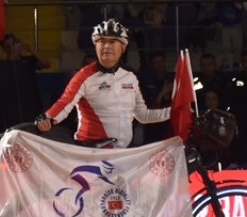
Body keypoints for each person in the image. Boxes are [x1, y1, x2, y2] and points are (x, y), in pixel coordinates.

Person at [37, 20, 170, 148]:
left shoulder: (130, 77)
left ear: (123, 47)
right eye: (102, 41)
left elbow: (143, 115)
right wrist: (47, 118)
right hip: (92, 151)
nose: (107, 46)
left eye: (112, 42)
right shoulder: (84, 76)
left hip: (122, 153)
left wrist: (173, 112)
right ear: (96, 46)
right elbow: (64, 103)